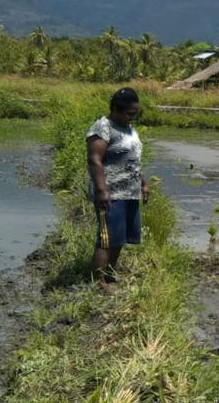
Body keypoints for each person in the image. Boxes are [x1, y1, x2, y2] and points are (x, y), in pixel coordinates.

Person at [87, 87, 149, 290]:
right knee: (106, 238)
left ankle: (110, 274)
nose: (133, 117)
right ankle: (98, 282)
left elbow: (134, 159)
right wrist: (102, 190)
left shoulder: (130, 128)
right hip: (111, 192)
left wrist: (143, 184)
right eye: (130, 113)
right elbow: (95, 159)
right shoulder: (103, 126)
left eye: (135, 113)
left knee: (120, 238)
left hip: (129, 192)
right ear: (116, 109)